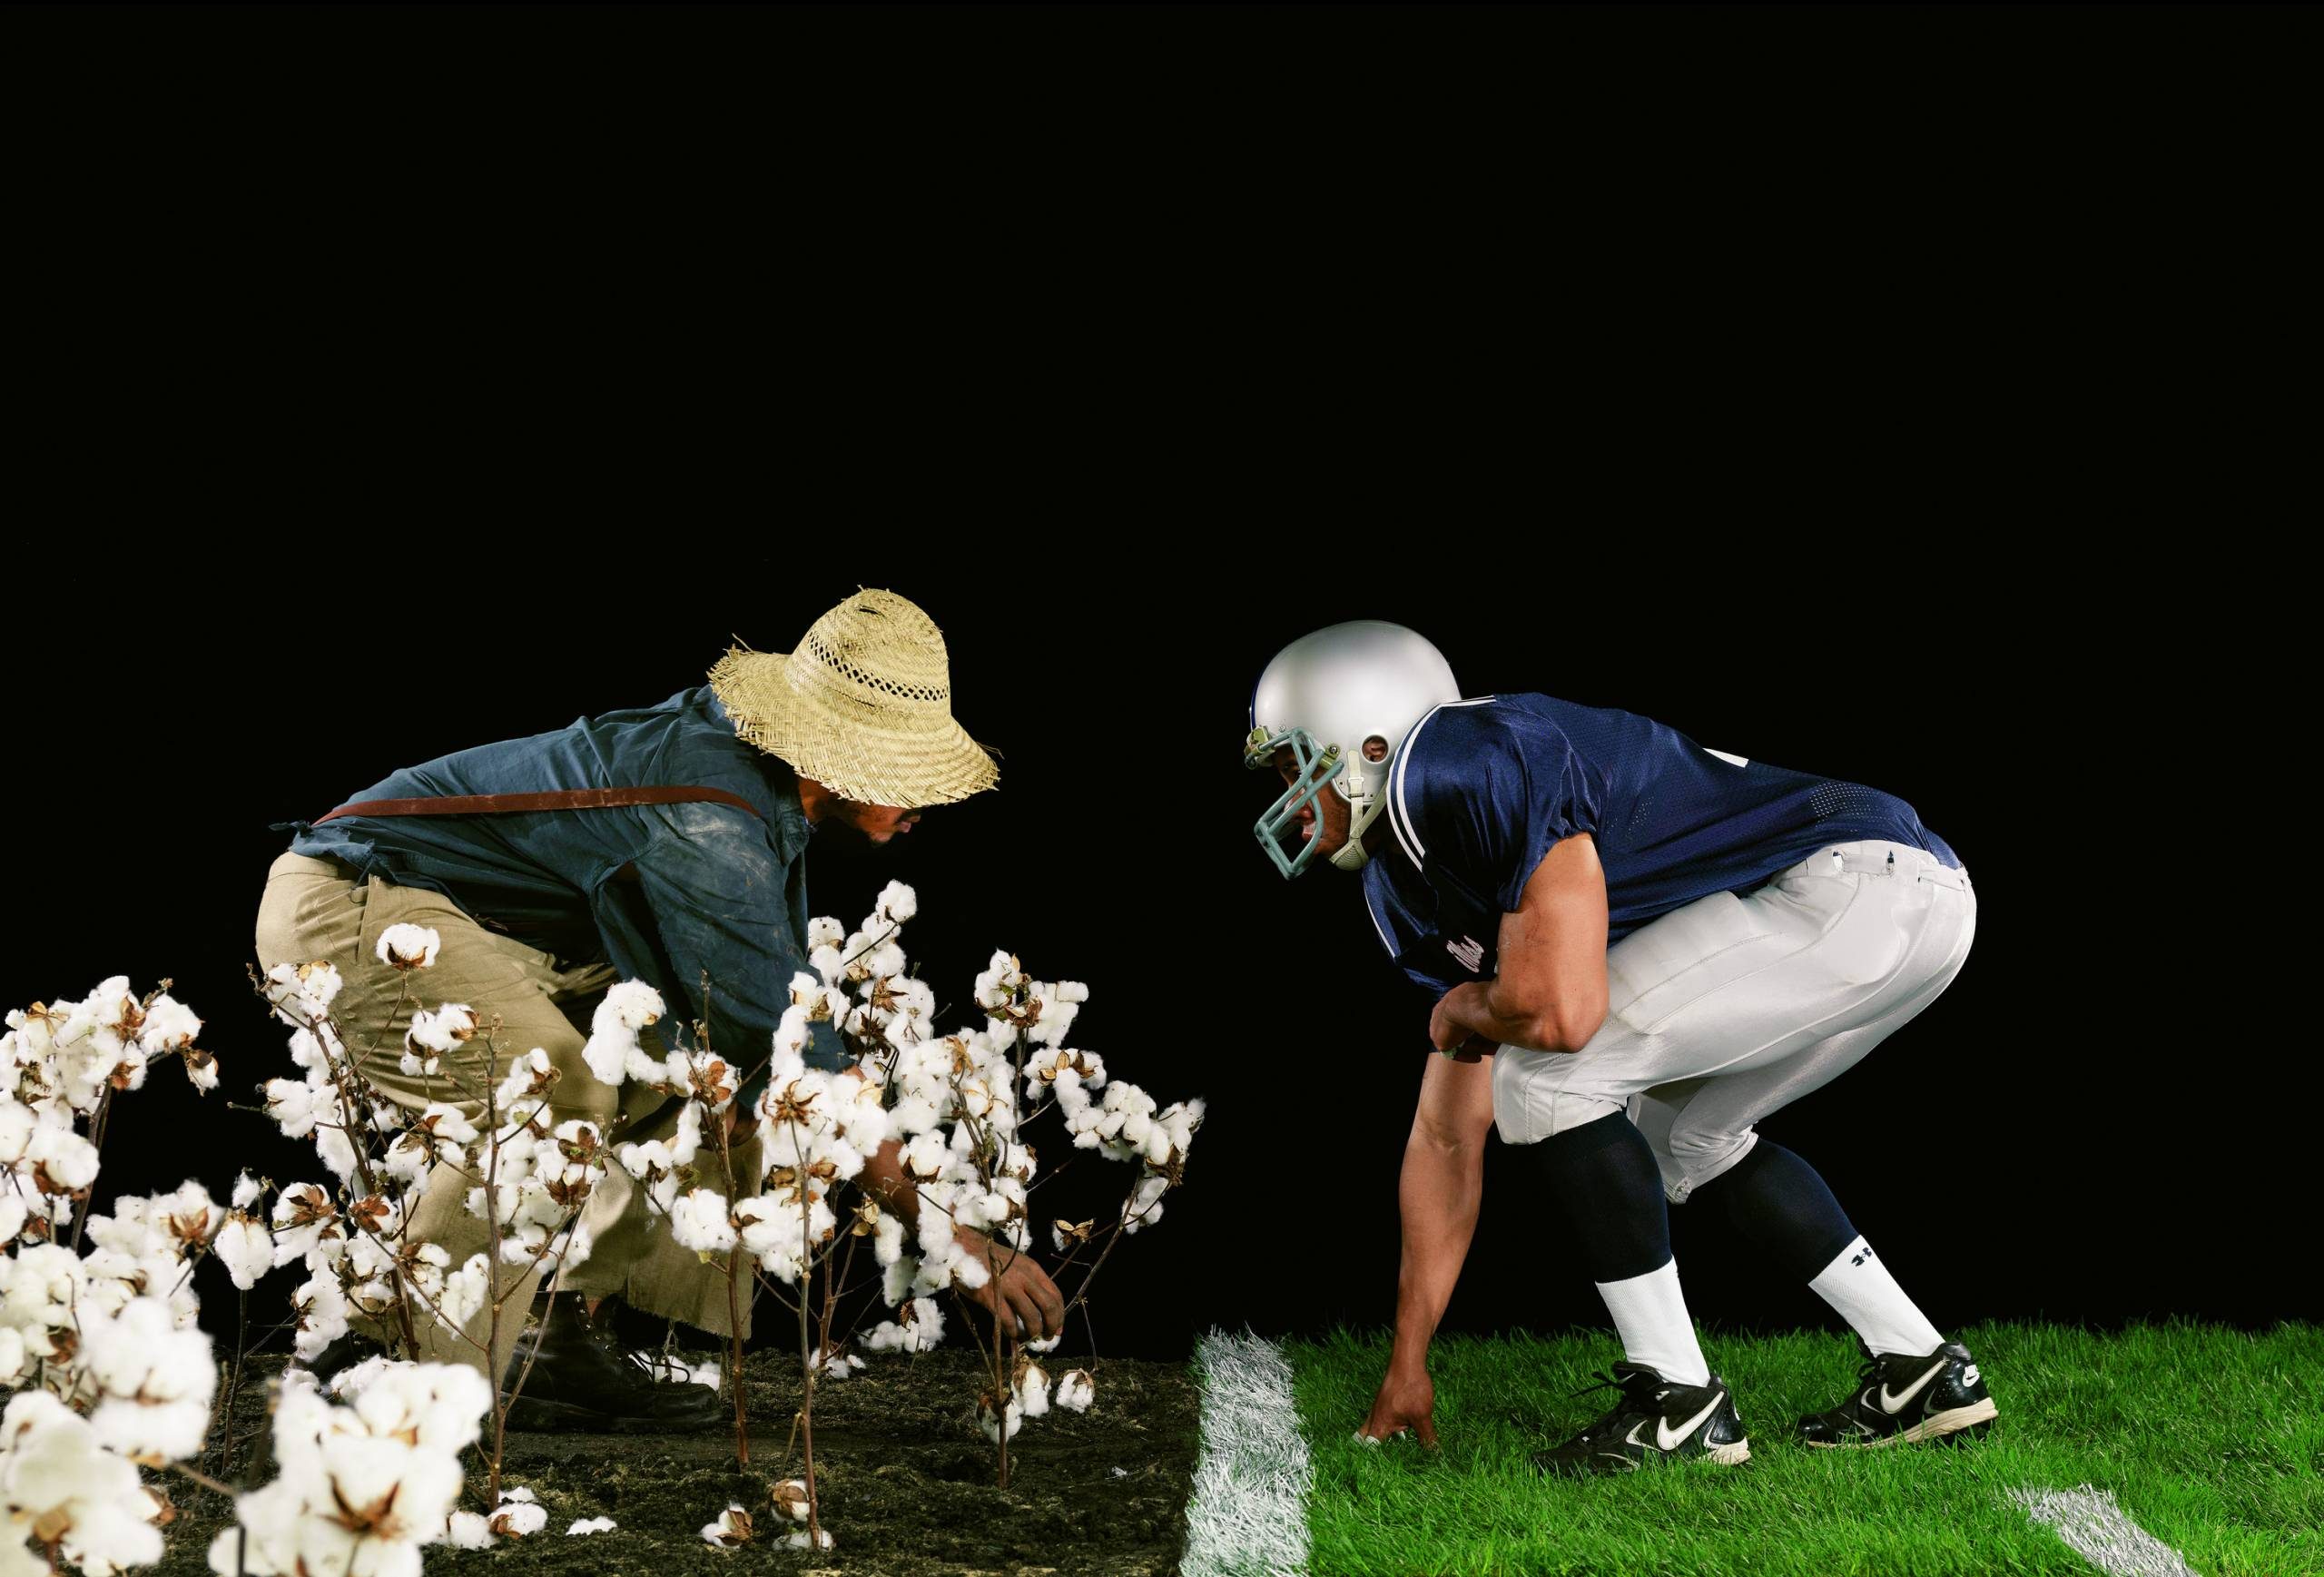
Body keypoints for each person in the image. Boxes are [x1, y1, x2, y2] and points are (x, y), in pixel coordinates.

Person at [254, 588, 1065, 1431]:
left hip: (476, 926)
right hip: (351, 902)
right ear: (839, 758)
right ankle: (393, 1360)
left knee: (701, 1072)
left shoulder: (748, 776)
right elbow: (797, 1052)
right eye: (905, 775)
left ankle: (558, 1332)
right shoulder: (710, 819)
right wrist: (954, 1238)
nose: (921, 807)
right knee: (552, 1086)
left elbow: (751, 1037)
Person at [1244, 620, 1993, 1474]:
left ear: (1369, 744)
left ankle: (1680, 1401)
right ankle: (1922, 1368)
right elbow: (1447, 1133)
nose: (1287, 794)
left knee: (1548, 1076)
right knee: (1687, 1137)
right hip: (1906, 900)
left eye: (1292, 763)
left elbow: (1561, 1016)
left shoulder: (1456, 759)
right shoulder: (1406, 878)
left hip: (1849, 884)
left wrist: (1467, 1004)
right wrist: (1407, 1360)